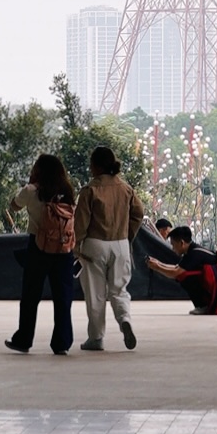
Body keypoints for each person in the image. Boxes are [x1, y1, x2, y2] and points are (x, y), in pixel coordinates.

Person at [4, 152, 77, 355]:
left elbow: (14, 206)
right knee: (63, 297)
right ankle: (62, 342)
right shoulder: (67, 191)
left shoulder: (31, 190)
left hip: (39, 246)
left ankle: (24, 339)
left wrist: (29, 184)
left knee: (30, 296)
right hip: (64, 248)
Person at [74, 145, 145, 352]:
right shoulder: (126, 188)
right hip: (120, 244)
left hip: (94, 245)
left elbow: (81, 222)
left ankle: (96, 338)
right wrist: (127, 234)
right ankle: (125, 319)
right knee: (119, 289)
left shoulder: (90, 189)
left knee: (95, 294)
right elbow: (138, 213)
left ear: (95, 165)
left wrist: (76, 247)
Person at [146, 224, 217, 315]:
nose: (173, 248)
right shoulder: (191, 251)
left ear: (182, 243)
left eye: (173, 245)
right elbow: (177, 267)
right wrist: (158, 263)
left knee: (185, 276)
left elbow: (176, 273)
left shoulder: (194, 254)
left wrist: (157, 267)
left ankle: (204, 305)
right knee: (183, 274)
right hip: (213, 283)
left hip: (216, 285)